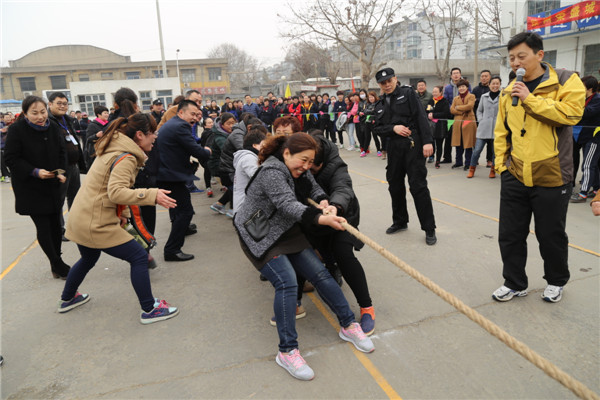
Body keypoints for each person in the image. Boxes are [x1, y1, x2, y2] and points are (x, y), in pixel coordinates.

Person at [233, 133, 374, 381]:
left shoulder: (300, 167)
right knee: (287, 281)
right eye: (303, 160)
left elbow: (314, 187)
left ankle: (348, 325)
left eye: (310, 161)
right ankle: (287, 351)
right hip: (260, 234)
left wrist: (324, 202)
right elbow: (288, 204)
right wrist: (321, 218)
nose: (306, 166)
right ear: (287, 153)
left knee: (320, 273)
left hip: (286, 230)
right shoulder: (272, 171)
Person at [58, 112, 180, 324]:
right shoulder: (127, 157)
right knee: (139, 257)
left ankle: (68, 298)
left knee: (88, 258)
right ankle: (149, 309)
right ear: (140, 135)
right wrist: (152, 195)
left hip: (81, 216)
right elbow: (116, 192)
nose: (155, 137)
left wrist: (122, 214)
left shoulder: (113, 148)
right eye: (153, 133)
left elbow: (108, 188)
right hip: (95, 222)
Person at [492, 32, 585, 303]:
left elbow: (571, 114)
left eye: (521, 56)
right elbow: (502, 131)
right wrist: (502, 166)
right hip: (515, 172)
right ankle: (514, 282)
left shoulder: (565, 81)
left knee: (550, 235)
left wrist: (530, 99)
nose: (516, 62)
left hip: (552, 174)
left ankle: (556, 281)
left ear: (539, 55)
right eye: (511, 58)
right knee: (510, 234)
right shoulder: (509, 90)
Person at [304, 132, 377, 335]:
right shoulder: (299, 162)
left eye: (312, 167)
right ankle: (330, 267)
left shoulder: (337, 166)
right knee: (317, 250)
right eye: (305, 163)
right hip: (314, 219)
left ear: (321, 163)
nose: (307, 169)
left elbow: (343, 188)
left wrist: (335, 206)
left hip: (341, 215)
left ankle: (367, 307)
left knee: (343, 253)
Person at [4, 96, 70, 279]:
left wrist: (61, 172)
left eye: (42, 112)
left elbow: (62, 152)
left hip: (52, 185)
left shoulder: (53, 126)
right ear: (25, 113)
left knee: (56, 225)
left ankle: (56, 262)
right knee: (44, 226)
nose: (40, 117)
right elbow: (10, 158)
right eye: (34, 113)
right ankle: (57, 263)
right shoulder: (17, 130)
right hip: (30, 187)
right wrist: (35, 171)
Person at [373, 67, 437, 245]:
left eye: (389, 81)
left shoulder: (408, 94)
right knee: (395, 185)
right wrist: (393, 128)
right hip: (393, 148)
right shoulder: (379, 105)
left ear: (395, 79)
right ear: (379, 85)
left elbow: (421, 117)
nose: (387, 85)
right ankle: (400, 221)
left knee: (418, 186)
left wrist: (427, 141)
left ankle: (429, 228)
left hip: (412, 145)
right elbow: (377, 128)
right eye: (383, 83)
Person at [157, 100, 212, 261]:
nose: (195, 117)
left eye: (197, 114)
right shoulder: (181, 126)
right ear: (181, 112)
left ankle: (182, 230)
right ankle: (172, 250)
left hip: (168, 172)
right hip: (170, 175)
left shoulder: (174, 123)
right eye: (192, 114)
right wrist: (207, 151)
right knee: (186, 211)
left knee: (177, 207)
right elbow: (196, 151)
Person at [47, 92, 86, 242]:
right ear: (50, 104)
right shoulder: (48, 121)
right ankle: (59, 229)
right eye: (59, 103)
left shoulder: (67, 120)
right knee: (59, 199)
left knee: (75, 198)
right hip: (60, 168)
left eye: (65, 103)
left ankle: (75, 226)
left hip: (73, 165)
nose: (62, 106)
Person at [570, 75, 600, 203]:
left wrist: (573, 107)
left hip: (594, 138)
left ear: (590, 88)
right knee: (593, 164)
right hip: (585, 136)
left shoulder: (597, 99)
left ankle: (583, 193)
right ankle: (596, 189)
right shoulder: (585, 98)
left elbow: (587, 112)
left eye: (581, 85)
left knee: (588, 165)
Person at [468, 76, 501, 179]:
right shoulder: (484, 96)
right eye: (493, 83)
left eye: (497, 83)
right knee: (477, 150)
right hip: (484, 127)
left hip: (497, 128)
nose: (495, 86)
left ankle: (493, 170)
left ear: (500, 85)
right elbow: (479, 110)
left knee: (495, 152)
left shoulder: (503, 97)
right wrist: (481, 119)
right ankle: (472, 169)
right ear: (489, 85)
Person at [207, 112, 237, 217]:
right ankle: (233, 210)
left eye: (233, 123)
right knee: (234, 186)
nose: (231, 126)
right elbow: (229, 151)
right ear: (222, 124)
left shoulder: (229, 133)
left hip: (225, 164)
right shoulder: (220, 137)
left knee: (233, 186)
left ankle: (219, 204)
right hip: (218, 165)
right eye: (228, 123)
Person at [232, 127, 267, 214]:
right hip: (246, 208)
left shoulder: (248, 156)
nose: (265, 148)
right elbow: (259, 177)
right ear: (254, 145)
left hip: (245, 205)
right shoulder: (249, 158)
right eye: (263, 145)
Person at [450, 79, 476, 170]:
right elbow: (452, 110)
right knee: (458, 143)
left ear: (467, 87)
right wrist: (462, 111)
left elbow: (470, 106)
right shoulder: (455, 98)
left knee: (468, 144)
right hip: (458, 123)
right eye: (460, 87)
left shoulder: (471, 96)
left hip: (468, 122)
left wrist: (458, 107)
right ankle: (458, 162)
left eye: (463, 86)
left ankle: (468, 163)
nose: (461, 88)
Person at [426, 85, 453, 169]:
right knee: (430, 142)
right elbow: (427, 110)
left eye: (436, 92)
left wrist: (434, 115)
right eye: (433, 92)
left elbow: (446, 113)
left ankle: (437, 161)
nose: (434, 93)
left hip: (440, 126)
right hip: (431, 125)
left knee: (439, 144)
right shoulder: (431, 101)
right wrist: (428, 114)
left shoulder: (444, 101)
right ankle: (430, 157)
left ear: (441, 92)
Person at [84, 105, 110, 169]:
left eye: (107, 113)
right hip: (95, 154)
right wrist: (96, 136)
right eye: (105, 113)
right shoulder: (92, 125)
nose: (107, 115)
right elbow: (88, 139)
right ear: (99, 114)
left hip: (106, 152)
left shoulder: (108, 124)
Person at [362, 92, 381, 157]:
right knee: (367, 137)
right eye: (369, 97)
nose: (371, 99)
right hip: (367, 122)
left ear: (375, 97)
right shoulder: (367, 104)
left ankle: (379, 150)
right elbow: (365, 111)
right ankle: (364, 151)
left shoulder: (377, 103)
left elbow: (377, 112)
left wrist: (370, 111)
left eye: (372, 97)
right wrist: (372, 111)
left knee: (375, 137)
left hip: (374, 123)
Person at [0, 113, 14, 182]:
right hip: (2, 147)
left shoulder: (13, 125)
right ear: (3, 118)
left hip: (10, 146)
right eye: (6, 117)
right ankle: (5, 176)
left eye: (9, 117)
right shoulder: (1, 125)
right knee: (2, 162)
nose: (8, 118)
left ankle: (8, 174)